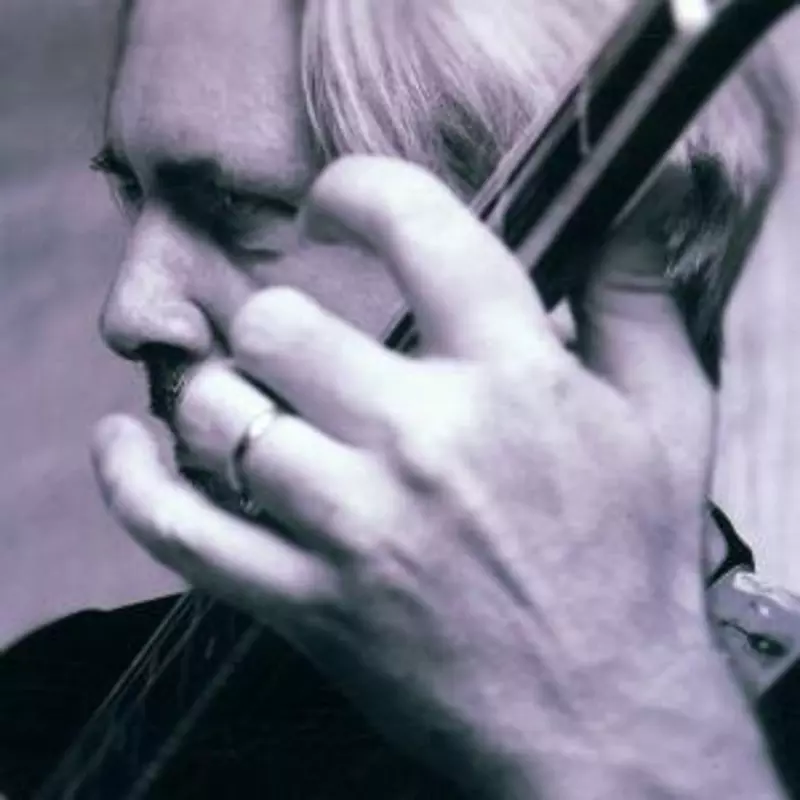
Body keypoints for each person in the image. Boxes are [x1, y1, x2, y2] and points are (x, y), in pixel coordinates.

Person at [0, 0, 795, 797]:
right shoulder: (48, 698)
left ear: (579, 262)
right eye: (132, 192)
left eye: (233, 206)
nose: (129, 312)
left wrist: (624, 734)